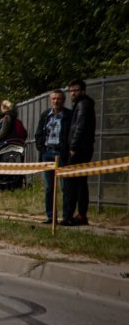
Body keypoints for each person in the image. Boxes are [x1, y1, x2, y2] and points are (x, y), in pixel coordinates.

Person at [61, 79, 96, 226]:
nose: (72, 93)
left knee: (72, 183)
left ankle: (70, 216)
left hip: (79, 150)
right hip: (82, 149)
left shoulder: (83, 105)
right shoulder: (82, 104)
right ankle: (81, 215)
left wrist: (73, 147)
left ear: (82, 91)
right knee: (80, 183)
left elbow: (80, 127)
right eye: (71, 91)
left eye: (75, 90)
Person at [34, 89, 71, 224]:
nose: (56, 101)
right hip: (47, 153)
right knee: (49, 187)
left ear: (63, 100)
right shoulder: (45, 115)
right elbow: (38, 134)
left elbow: (71, 134)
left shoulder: (68, 115)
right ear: (51, 100)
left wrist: (67, 150)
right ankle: (51, 216)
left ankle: (67, 217)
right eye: (54, 99)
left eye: (59, 99)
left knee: (65, 187)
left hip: (62, 153)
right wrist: (42, 149)